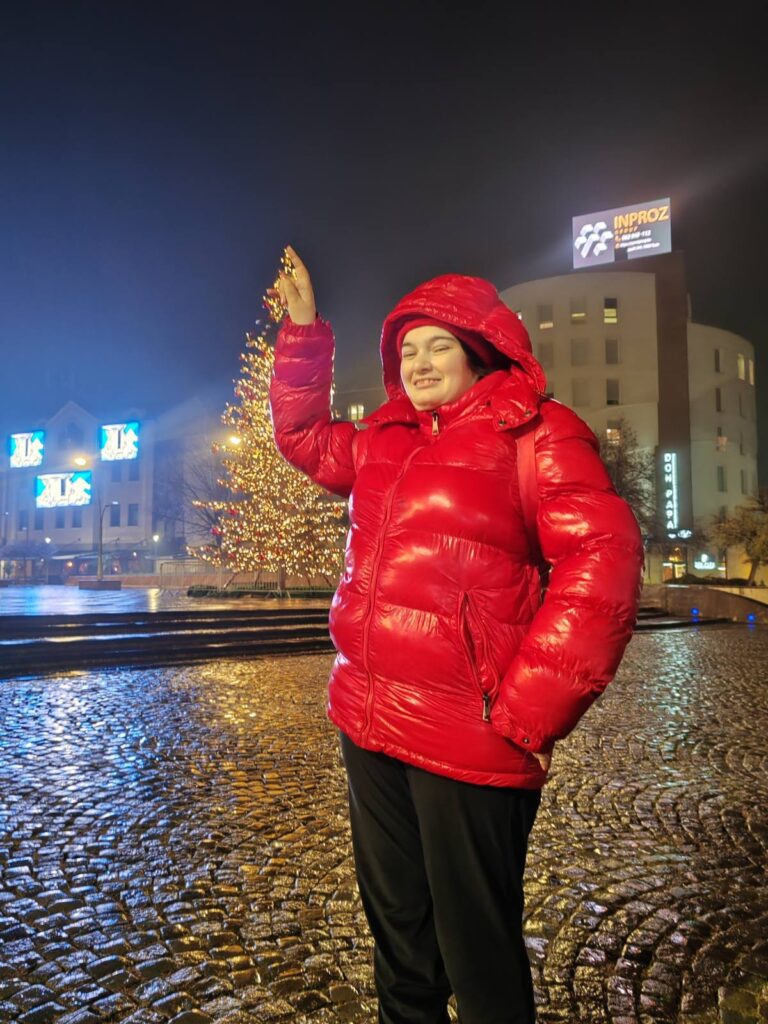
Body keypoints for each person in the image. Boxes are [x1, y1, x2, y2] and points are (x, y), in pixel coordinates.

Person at [268, 247, 644, 1024]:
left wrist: (527, 712)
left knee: (478, 957)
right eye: (407, 349)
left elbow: (602, 562)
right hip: (369, 723)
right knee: (401, 946)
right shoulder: (385, 437)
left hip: (469, 738)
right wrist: (303, 331)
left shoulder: (536, 433)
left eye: (438, 345)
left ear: (479, 351)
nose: (419, 362)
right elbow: (303, 438)